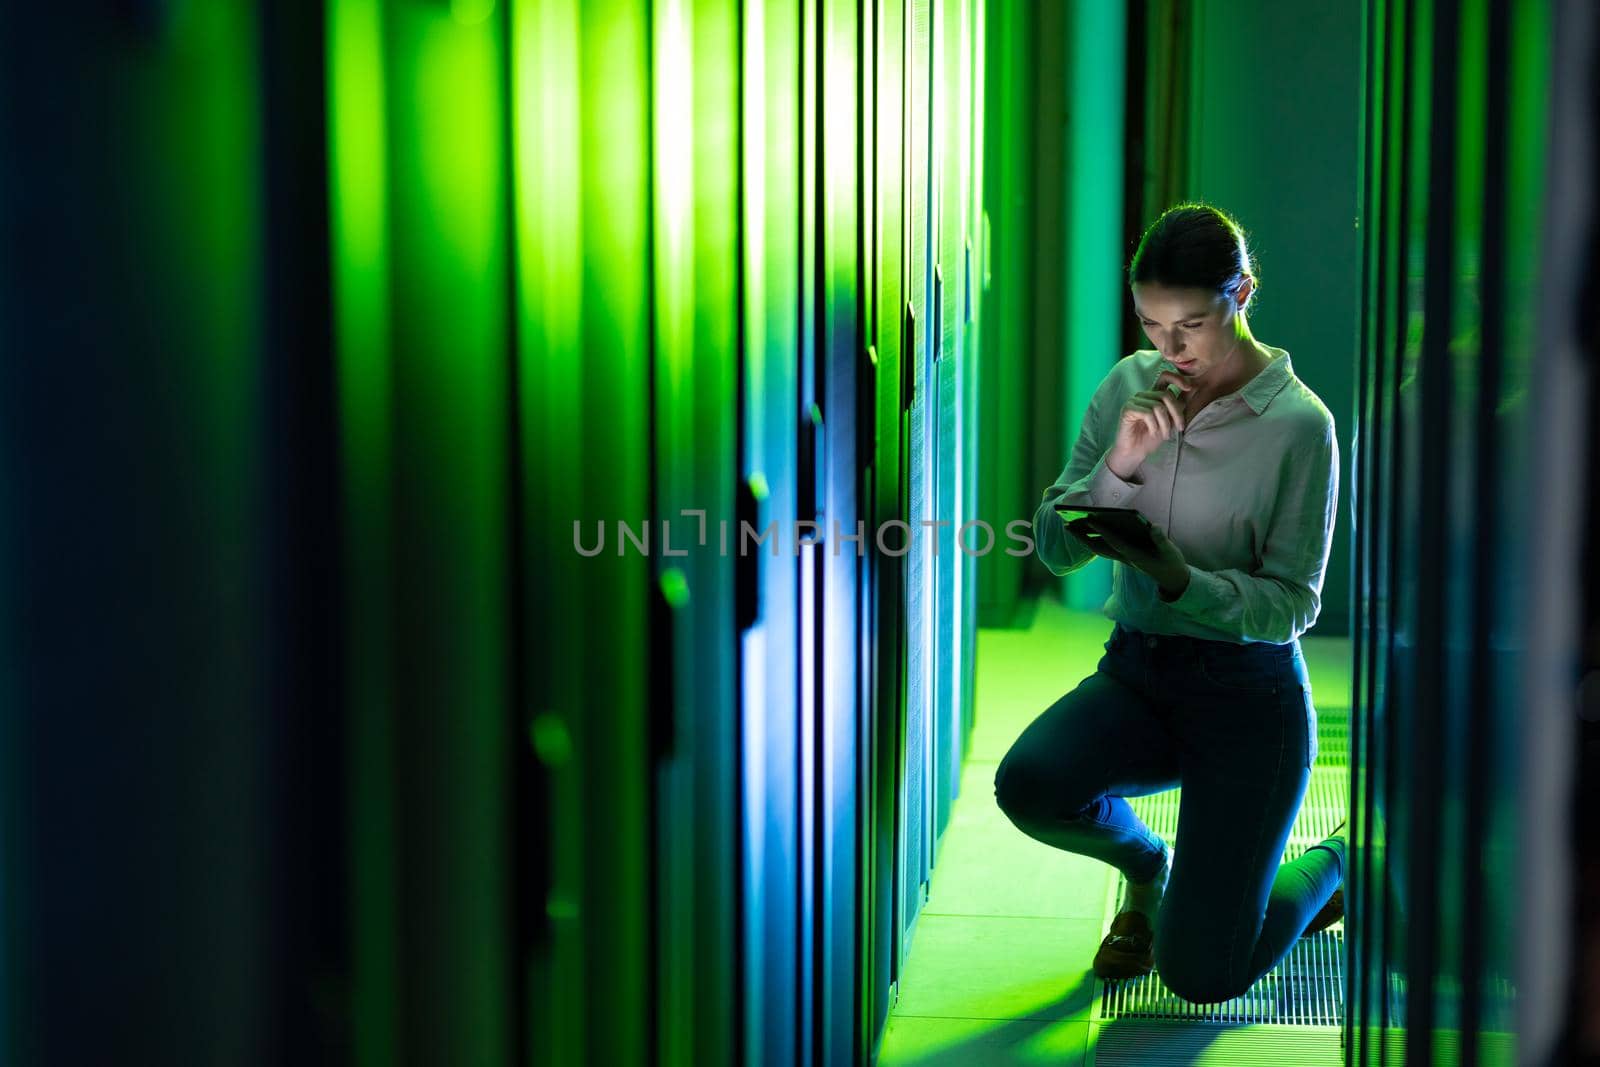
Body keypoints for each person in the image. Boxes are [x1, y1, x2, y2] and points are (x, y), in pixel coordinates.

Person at [993, 203, 1348, 1003]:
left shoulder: (1300, 426)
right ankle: (1150, 868)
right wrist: (1117, 466)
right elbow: (1053, 546)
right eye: (1152, 324)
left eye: (1190, 324)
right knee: (1031, 783)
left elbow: (1293, 605)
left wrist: (1181, 578)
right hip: (1140, 675)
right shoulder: (1129, 383)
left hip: (1249, 702)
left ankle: (1341, 860)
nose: (1170, 349)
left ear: (1243, 293)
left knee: (1203, 973)